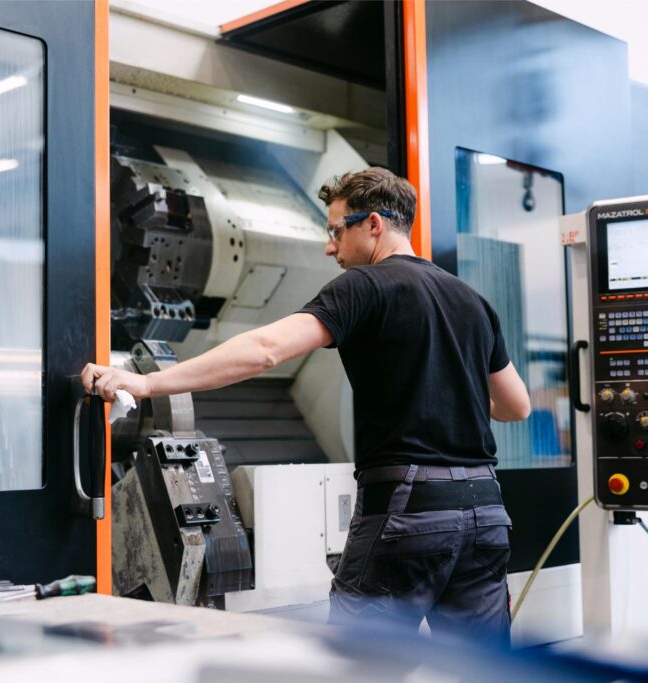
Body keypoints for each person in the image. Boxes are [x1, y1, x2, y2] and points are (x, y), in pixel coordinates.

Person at [82, 167, 531, 643]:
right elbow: (515, 406)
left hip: (407, 510)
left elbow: (265, 351)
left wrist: (147, 383)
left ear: (374, 224)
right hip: (484, 509)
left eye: (337, 230)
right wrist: (450, 391)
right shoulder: (473, 301)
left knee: (357, 668)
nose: (329, 246)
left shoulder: (366, 286)